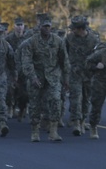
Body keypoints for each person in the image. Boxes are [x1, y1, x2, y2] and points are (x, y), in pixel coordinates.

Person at [20, 13, 70, 143]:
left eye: (49, 26)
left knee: (56, 100)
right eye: (44, 26)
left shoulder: (58, 41)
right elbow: (27, 62)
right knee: (35, 105)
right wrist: (33, 77)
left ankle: (53, 131)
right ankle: (35, 130)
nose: (47, 29)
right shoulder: (30, 42)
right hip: (37, 77)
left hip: (53, 77)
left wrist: (66, 79)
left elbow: (64, 61)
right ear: (39, 27)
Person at [64, 16, 99, 136]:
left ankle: (83, 120)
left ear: (80, 29)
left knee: (86, 99)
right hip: (74, 73)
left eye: (74, 28)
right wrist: (66, 74)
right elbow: (64, 55)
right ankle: (77, 122)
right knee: (76, 97)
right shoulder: (69, 38)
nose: (72, 30)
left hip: (89, 74)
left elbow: (99, 54)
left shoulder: (94, 39)